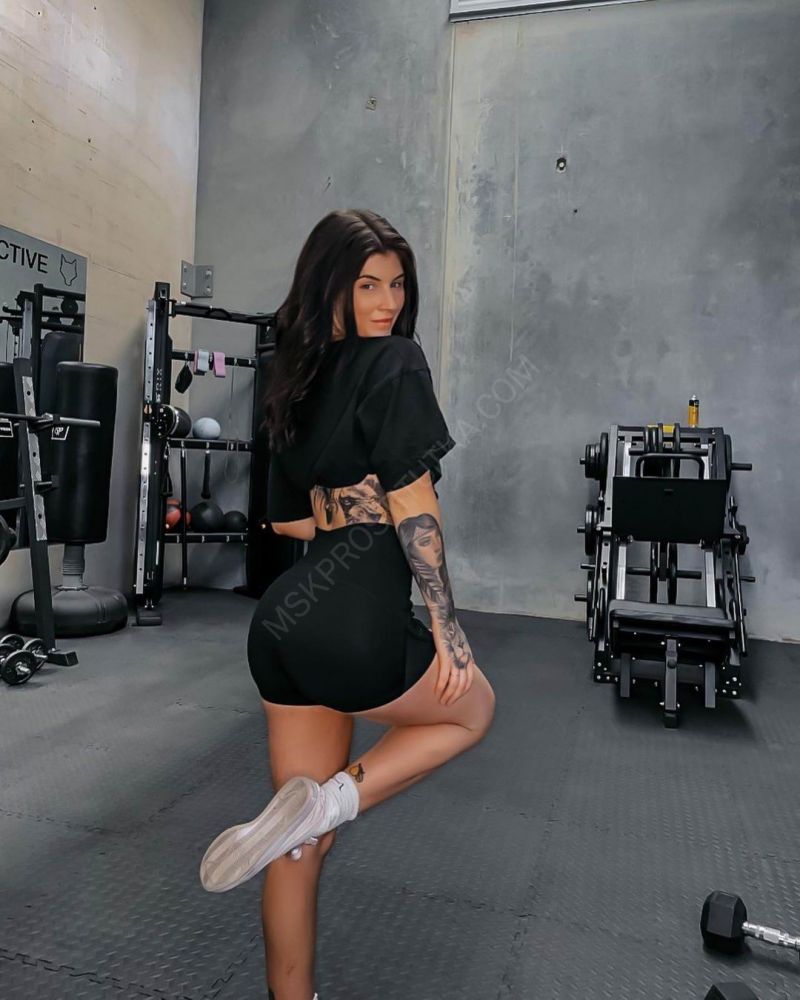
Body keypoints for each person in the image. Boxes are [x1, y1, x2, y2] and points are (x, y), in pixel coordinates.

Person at [199, 209, 496, 1000]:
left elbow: (287, 520)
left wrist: (345, 504)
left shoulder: (289, 373)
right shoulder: (396, 362)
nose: (388, 302)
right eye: (367, 284)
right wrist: (447, 624)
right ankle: (331, 801)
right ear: (330, 284)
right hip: (352, 621)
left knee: (297, 848)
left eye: (397, 285)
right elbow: (415, 503)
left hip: (283, 624)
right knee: (471, 712)